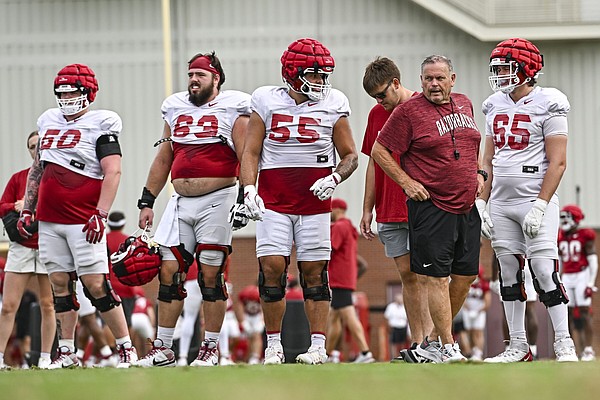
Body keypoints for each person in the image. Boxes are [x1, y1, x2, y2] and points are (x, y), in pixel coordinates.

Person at [238, 37, 358, 365]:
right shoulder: (266, 100)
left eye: (324, 75)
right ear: (292, 74)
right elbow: (251, 150)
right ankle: (274, 345)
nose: (321, 82)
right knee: (272, 269)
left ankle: (317, 346)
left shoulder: (334, 103)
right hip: (274, 201)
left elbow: (350, 155)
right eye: (314, 74)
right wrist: (248, 190)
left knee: (315, 273)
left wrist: (334, 177)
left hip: (315, 205)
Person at [16, 64, 136, 368]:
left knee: (96, 284)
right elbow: (38, 169)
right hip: (50, 218)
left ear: (88, 93)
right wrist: (29, 208)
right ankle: (67, 352)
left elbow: (113, 170)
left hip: (84, 220)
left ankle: (125, 348)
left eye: (74, 91)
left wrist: (101, 213)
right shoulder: (48, 121)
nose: (67, 97)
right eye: (63, 92)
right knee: (59, 283)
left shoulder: (102, 123)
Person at [135, 51, 251, 367]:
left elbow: (246, 154)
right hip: (180, 201)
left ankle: (211, 347)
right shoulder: (175, 108)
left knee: (211, 273)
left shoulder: (234, 108)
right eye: (190, 74)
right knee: (168, 271)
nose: (193, 80)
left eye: (200, 74)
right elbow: (164, 157)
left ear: (216, 78)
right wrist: (147, 200)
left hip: (219, 197)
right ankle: (164, 349)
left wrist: (245, 194)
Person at [372, 55, 482, 363]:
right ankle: (448, 346)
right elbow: (380, 150)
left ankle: (431, 342)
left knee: (465, 277)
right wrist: (406, 182)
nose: (434, 84)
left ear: (452, 79)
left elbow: (474, 142)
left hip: (467, 205)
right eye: (428, 79)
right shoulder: (407, 111)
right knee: (435, 278)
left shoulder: (464, 103)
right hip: (431, 207)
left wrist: (479, 173)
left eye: (439, 78)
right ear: (421, 81)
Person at [477, 38, 578, 363]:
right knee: (508, 271)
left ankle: (564, 343)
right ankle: (518, 346)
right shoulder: (494, 104)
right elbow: (487, 160)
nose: (500, 75)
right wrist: (482, 200)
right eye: (496, 69)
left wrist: (541, 203)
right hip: (502, 201)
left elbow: (558, 161)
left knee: (544, 270)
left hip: (535, 198)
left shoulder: (549, 102)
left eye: (505, 68)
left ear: (527, 69)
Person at [360, 56, 432, 361]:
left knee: (428, 275)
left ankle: (433, 342)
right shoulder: (377, 114)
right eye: (374, 97)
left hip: (421, 206)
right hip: (389, 207)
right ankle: (419, 343)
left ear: (396, 83)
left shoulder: (424, 107)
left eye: (382, 94)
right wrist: (367, 209)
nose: (379, 101)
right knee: (407, 275)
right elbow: (373, 163)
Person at [0, 131, 56, 370]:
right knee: (9, 305)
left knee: (48, 304)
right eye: (32, 146)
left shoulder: (56, 178)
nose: (36, 150)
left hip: (47, 246)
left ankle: (44, 357)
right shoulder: (19, 178)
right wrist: (16, 205)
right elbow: (3, 205)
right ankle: (0, 357)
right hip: (22, 247)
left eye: (40, 145)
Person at [325, 198, 374, 363]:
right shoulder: (349, 227)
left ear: (337, 209)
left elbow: (331, 248)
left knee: (349, 315)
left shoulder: (339, 226)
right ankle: (328, 354)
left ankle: (365, 352)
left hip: (339, 277)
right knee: (334, 317)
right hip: (345, 277)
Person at [558, 204, 597, 361]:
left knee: (584, 312)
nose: (563, 221)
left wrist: (590, 283)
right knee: (566, 313)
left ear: (575, 218)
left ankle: (588, 350)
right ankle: (570, 349)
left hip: (582, 274)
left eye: (566, 217)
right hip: (567, 276)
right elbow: (560, 260)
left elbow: (593, 261)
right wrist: (558, 278)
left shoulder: (585, 235)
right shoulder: (561, 236)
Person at [106, 211, 137, 331]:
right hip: (125, 286)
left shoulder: (103, 240)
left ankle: (110, 348)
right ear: (123, 224)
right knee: (127, 322)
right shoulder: (127, 241)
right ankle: (125, 347)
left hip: (107, 285)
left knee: (107, 322)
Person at [461, 267, 491, 361]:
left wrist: (478, 310)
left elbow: (487, 301)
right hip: (468, 311)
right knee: (469, 331)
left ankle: (478, 352)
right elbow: (462, 298)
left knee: (478, 332)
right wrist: (467, 308)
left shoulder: (483, 285)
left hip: (479, 311)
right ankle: (471, 352)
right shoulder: (466, 284)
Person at [237, 283, 264, 365]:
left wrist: (262, 320)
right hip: (247, 316)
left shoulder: (262, 294)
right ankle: (249, 357)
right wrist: (243, 321)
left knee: (257, 335)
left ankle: (255, 357)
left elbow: (264, 307)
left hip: (257, 316)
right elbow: (240, 306)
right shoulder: (246, 293)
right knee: (248, 337)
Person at [384, 293, 409, 361]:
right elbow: (386, 318)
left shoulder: (404, 307)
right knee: (393, 343)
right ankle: (393, 357)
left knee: (402, 343)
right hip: (394, 327)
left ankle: (402, 356)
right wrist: (388, 328)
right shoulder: (391, 307)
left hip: (403, 327)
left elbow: (407, 319)